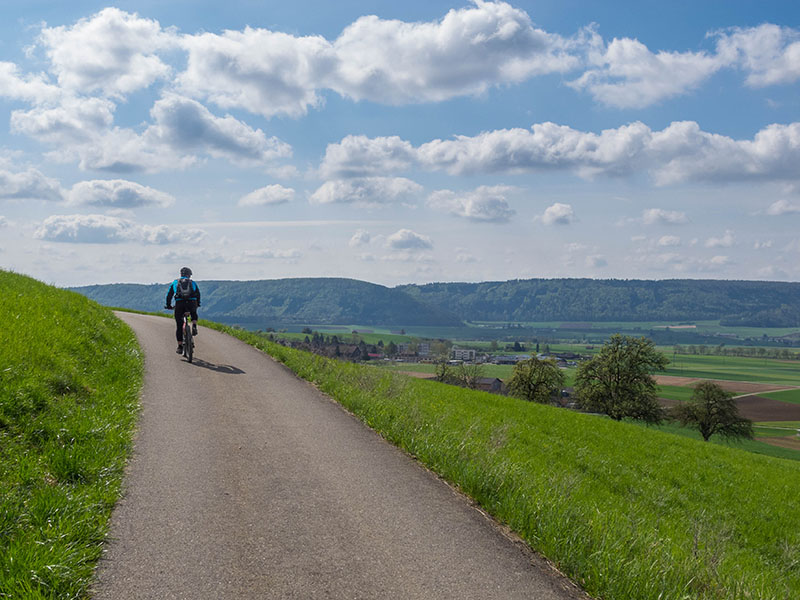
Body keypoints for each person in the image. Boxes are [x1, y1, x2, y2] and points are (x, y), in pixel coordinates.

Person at [165, 267, 201, 353]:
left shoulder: (175, 282)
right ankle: (194, 325)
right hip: (192, 302)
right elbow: (198, 294)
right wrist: (198, 303)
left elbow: (169, 295)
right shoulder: (192, 283)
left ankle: (180, 346)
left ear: (181, 274)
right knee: (193, 312)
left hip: (180, 303)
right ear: (189, 275)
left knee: (179, 325)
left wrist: (169, 305)